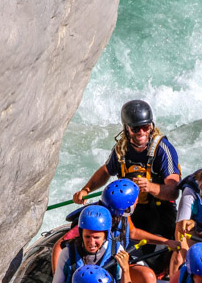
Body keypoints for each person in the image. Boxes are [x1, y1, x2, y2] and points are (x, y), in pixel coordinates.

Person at [72, 100, 181, 240]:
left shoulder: (163, 149)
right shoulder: (121, 148)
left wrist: (150, 187)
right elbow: (106, 171)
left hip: (160, 210)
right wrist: (86, 190)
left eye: (145, 127)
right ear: (126, 129)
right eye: (135, 128)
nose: (141, 132)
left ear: (151, 126)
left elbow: (173, 191)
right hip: (131, 210)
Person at [52, 205, 132, 283]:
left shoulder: (117, 251)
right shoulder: (68, 253)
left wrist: (125, 270)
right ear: (81, 234)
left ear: (105, 236)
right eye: (87, 237)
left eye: (96, 237)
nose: (91, 243)